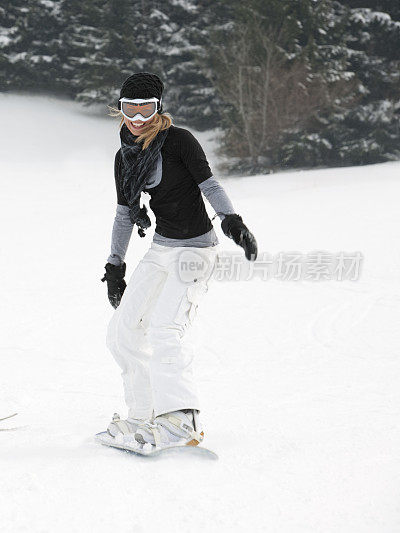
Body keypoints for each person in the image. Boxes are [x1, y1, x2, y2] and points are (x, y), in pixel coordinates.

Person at [101, 72, 257, 450]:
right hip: (161, 249)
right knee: (122, 331)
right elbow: (125, 214)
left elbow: (210, 185)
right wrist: (115, 265)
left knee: (165, 329)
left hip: (196, 250)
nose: (137, 118)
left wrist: (232, 219)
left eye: (146, 109)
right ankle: (143, 414)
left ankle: (182, 420)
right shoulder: (126, 157)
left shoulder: (180, 141)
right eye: (129, 109)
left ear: (159, 108)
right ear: (119, 110)